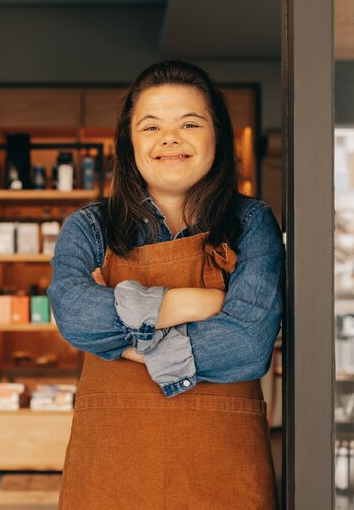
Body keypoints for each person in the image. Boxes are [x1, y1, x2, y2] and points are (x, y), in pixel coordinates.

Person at [47, 60, 284, 510]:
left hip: (223, 472)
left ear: (219, 135)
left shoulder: (251, 223)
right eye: (150, 126)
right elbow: (74, 314)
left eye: (190, 123)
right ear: (129, 142)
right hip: (112, 471)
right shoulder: (90, 226)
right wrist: (193, 303)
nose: (169, 139)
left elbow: (247, 344)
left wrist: (131, 344)